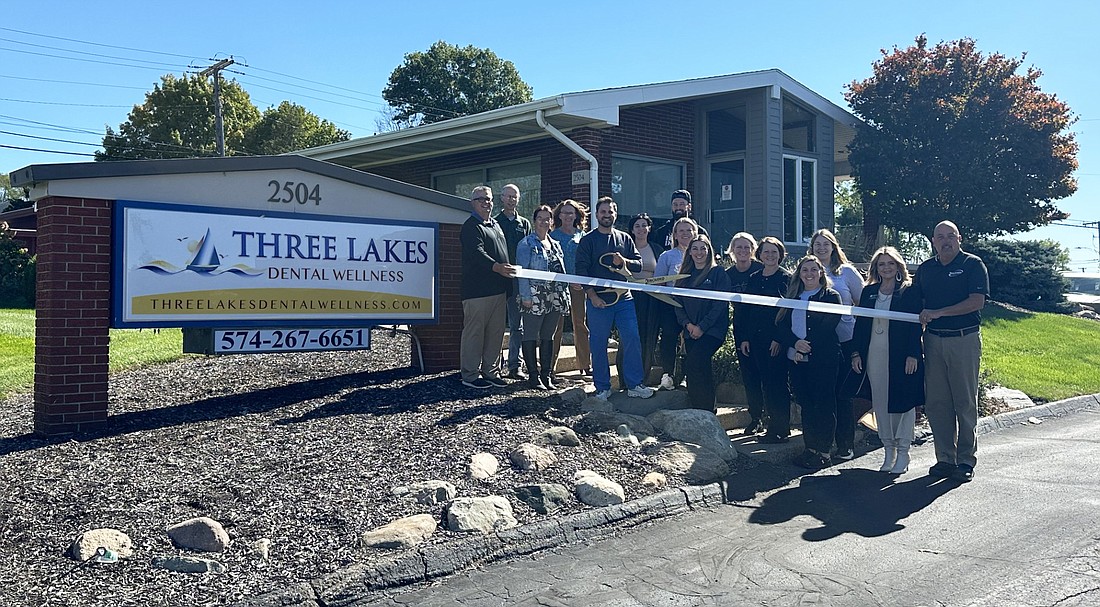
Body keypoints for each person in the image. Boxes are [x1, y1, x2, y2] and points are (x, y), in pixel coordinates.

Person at [914, 221, 989, 483]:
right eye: (940, 237)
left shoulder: (972, 265)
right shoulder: (926, 269)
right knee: (937, 403)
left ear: (959, 238)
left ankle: (966, 460)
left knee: (964, 402)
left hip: (963, 340)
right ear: (933, 240)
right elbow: (916, 303)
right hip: (933, 341)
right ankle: (945, 458)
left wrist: (939, 313)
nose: (946, 241)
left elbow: (976, 302)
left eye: (950, 236)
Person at [850, 247, 924, 474]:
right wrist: (856, 353)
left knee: (902, 402)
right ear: (876, 268)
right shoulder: (869, 291)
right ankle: (888, 450)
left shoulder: (909, 292)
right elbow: (861, 325)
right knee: (881, 403)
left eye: (890, 263)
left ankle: (903, 451)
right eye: (882, 264)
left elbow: (914, 325)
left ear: (898, 266)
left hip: (901, 355)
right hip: (874, 354)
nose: (886, 268)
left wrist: (913, 354)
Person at [575, 197, 655, 401]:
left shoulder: (625, 239)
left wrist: (624, 261)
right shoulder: (588, 241)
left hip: (624, 299)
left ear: (615, 214)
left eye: (610, 212)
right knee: (598, 343)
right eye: (603, 212)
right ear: (596, 214)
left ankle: (634, 384)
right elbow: (581, 270)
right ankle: (602, 387)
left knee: (632, 339)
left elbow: (638, 265)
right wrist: (591, 296)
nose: (607, 215)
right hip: (599, 301)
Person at [777, 255, 842, 469]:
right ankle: (810, 449)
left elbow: (827, 326)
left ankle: (824, 452)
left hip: (822, 360)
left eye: (814, 270)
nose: (809, 274)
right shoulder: (793, 296)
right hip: (796, 360)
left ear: (821, 273)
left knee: (823, 404)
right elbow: (781, 325)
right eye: (805, 270)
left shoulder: (831, 297)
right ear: (799, 274)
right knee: (806, 404)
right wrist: (795, 344)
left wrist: (806, 347)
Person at [810, 228, 865, 461]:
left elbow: (863, 302)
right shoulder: (807, 270)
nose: (821, 248)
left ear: (834, 246)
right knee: (822, 394)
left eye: (826, 244)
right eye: (817, 244)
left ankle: (845, 444)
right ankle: (821, 443)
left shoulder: (846, 272)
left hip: (846, 339)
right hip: (818, 342)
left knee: (842, 394)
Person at [735, 237, 793, 443]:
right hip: (755, 339)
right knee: (760, 383)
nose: (769, 255)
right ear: (759, 254)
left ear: (780, 254)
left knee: (776, 383)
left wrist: (779, 338)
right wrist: (745, 339)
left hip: (775, 340)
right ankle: (766, 423)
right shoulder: (754, 278)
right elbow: (746, 311)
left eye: (774, 252)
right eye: (766, 252)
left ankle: (780, 428)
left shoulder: (787, 278)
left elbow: (787, 312)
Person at [459, 185, 518, 389]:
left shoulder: (495, 225)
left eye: (489, 199)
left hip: (498, 291)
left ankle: (490, 372)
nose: (486, 202)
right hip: (477, 292)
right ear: (472, 203)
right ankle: (470, 375)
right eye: (481, 199)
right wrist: (497, 267)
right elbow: (476, 253)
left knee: (495, 334)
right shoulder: (470, 227)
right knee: (474, 334)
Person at [515, 205, 571, 390]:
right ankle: (533, 376)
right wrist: (525, 296)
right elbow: (522, 273)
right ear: (534, 220)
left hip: (554, 296)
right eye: (540, 218)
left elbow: (561, 271)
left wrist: (566, 294)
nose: (544, 221)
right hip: (534, 295)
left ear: (552, 221)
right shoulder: (526, 244)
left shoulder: (555, 243)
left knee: (548, 335)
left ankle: (546, 375)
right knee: (531, 334)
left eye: (548, 218)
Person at [674, 235, 731, 411]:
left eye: (703, 248)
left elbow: (720, 304)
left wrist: (702, 327)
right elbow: (677, 304)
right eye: (695, 248)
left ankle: (706, 408)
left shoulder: (718, 273)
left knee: (695, 361)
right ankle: (698, 408)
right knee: (696, 367)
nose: (699, 253)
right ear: (689, 252)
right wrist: (689, 326)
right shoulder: (683, 276)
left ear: (709, 251)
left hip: (712, 331)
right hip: (690, 331)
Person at [653, 217, 699, 390]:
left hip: (694, 308)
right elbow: (659, 282)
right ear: (675, 235)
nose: (686, 233)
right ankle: (668, 375)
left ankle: (687, 376)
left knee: (691, 339)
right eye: (681, 230)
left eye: (689, 230)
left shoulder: (701, 253)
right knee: (669, 338)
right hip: (671, 305)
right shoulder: (667, 256)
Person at [726, 232, 765, 432]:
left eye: (746, 247)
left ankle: (771, 417)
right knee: (749, 376)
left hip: (763, 329)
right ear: (732, 251)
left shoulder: (760, 270)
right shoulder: (728, 275)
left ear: (753, 250)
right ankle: (755, 417)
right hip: (741, 328)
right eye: (738, 247)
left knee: (766, 375)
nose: (743, 251)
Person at [616, 213, 660, 387]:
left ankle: (643, 379)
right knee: (628, 337)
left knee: (648, 338)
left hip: (651, 298)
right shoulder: (625, 249)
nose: (641, 229)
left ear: (649, 228)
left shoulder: (656, 249)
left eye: (644, 225)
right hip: (629, 297)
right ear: (632, 230)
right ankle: (624, 381)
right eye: (637, 226)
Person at [550, 200, 592, 376]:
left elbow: (586, 261)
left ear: (576, 215)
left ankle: (585, 365)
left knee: (580, 324)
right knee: (555, 326)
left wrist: (581, 281)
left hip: (578, 287)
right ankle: (549, 366)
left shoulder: (582, 236)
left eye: (571, 213)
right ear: (559, 216)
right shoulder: (553, 236)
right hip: (558, 287)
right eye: (564, 213)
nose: (567, 216)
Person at [495, 184, 532, 380]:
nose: (511, 199)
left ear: (518, 199)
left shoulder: (524, 224)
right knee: (496, 325)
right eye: (508, 196)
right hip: (498, 280)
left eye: (514, 196)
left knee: (517, 325)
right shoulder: (494, 222)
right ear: (501, 198)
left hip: (518, 281)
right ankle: (493, 364)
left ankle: (514, 365)